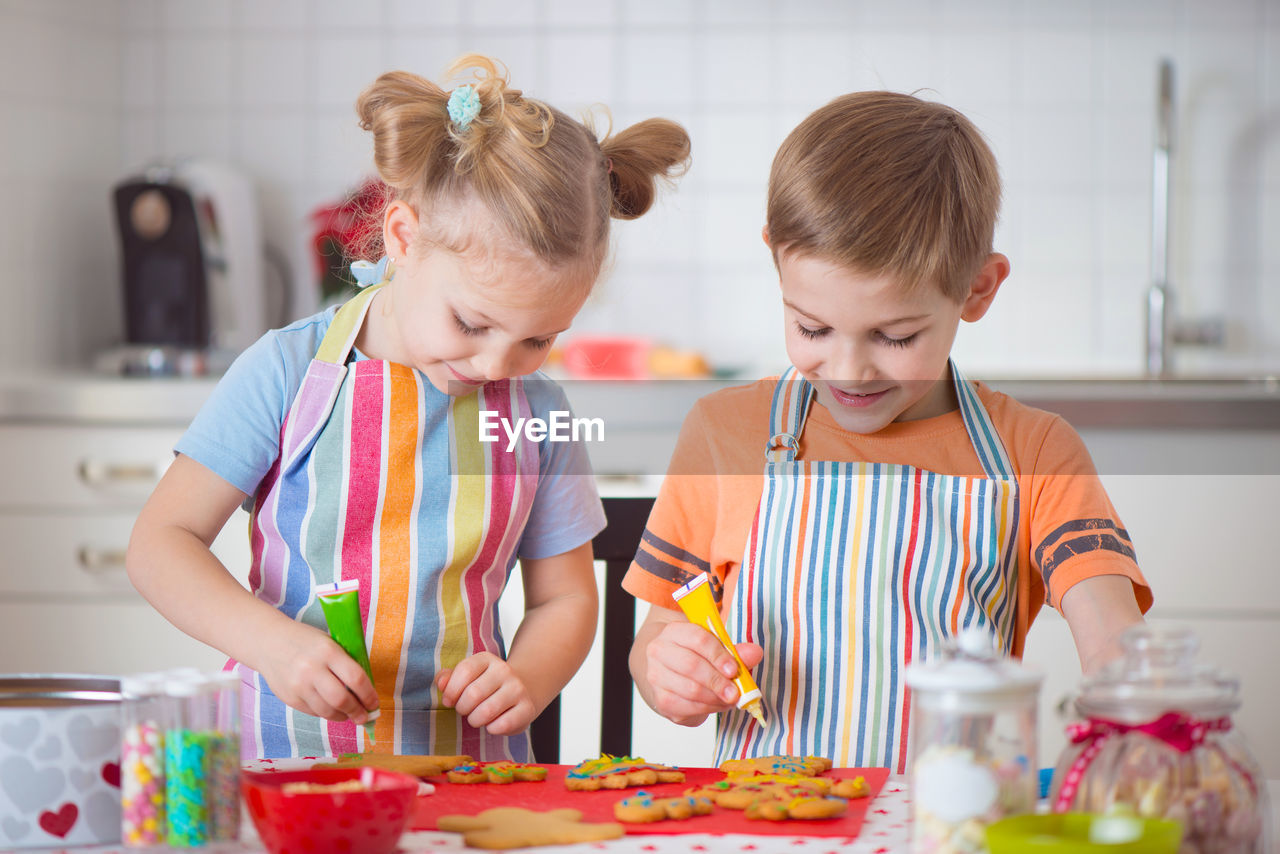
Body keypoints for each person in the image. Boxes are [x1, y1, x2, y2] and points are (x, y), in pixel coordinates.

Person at [127, 54, 690, 760]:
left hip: (467, 771)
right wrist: (272, 645)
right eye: (473, 323)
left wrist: (527, 677)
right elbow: (159, 546)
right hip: (284, 760)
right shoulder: (287, 371)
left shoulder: (539, 411)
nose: (495, 365)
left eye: (538, 339)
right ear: (402, 238)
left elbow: (566, 601)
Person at [623, 91, 1151, 771]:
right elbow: (656, 638)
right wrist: (671, 672)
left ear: (978, 290)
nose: (848, 369)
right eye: (812, 328)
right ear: (777, 263)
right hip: (769, 830)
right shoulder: (724, 434)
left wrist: (1142, 724)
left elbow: (1111, 636)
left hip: (950, 828)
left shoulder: (1034, 450)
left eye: (895, 336)